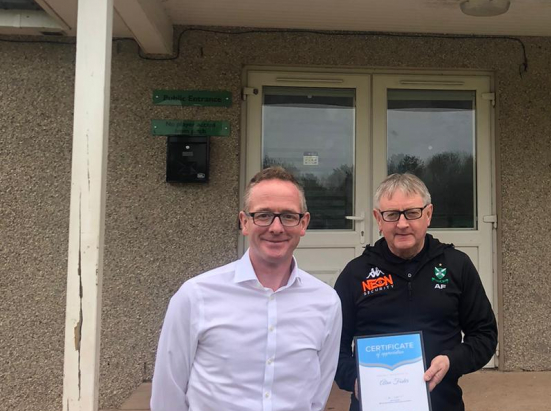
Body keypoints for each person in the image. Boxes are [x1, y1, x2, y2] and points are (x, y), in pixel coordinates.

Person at [151, 166, 342, 411]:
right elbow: (168, 394)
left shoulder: (326, 303)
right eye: (263, 215)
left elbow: (317, 396)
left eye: (288, 216)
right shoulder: (195, 296)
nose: (276, 228)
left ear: (303, 223)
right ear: (244, 222)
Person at [334, 173, 497, 411]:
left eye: (412, 213)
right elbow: (332, 348)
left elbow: (485, 335)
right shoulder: (356, 274)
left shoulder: (456, 266)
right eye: (391, 214)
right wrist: (355, 381)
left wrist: (452, 361)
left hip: (443, 404)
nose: (402, 224)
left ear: (428, 214)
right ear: (378, 219)